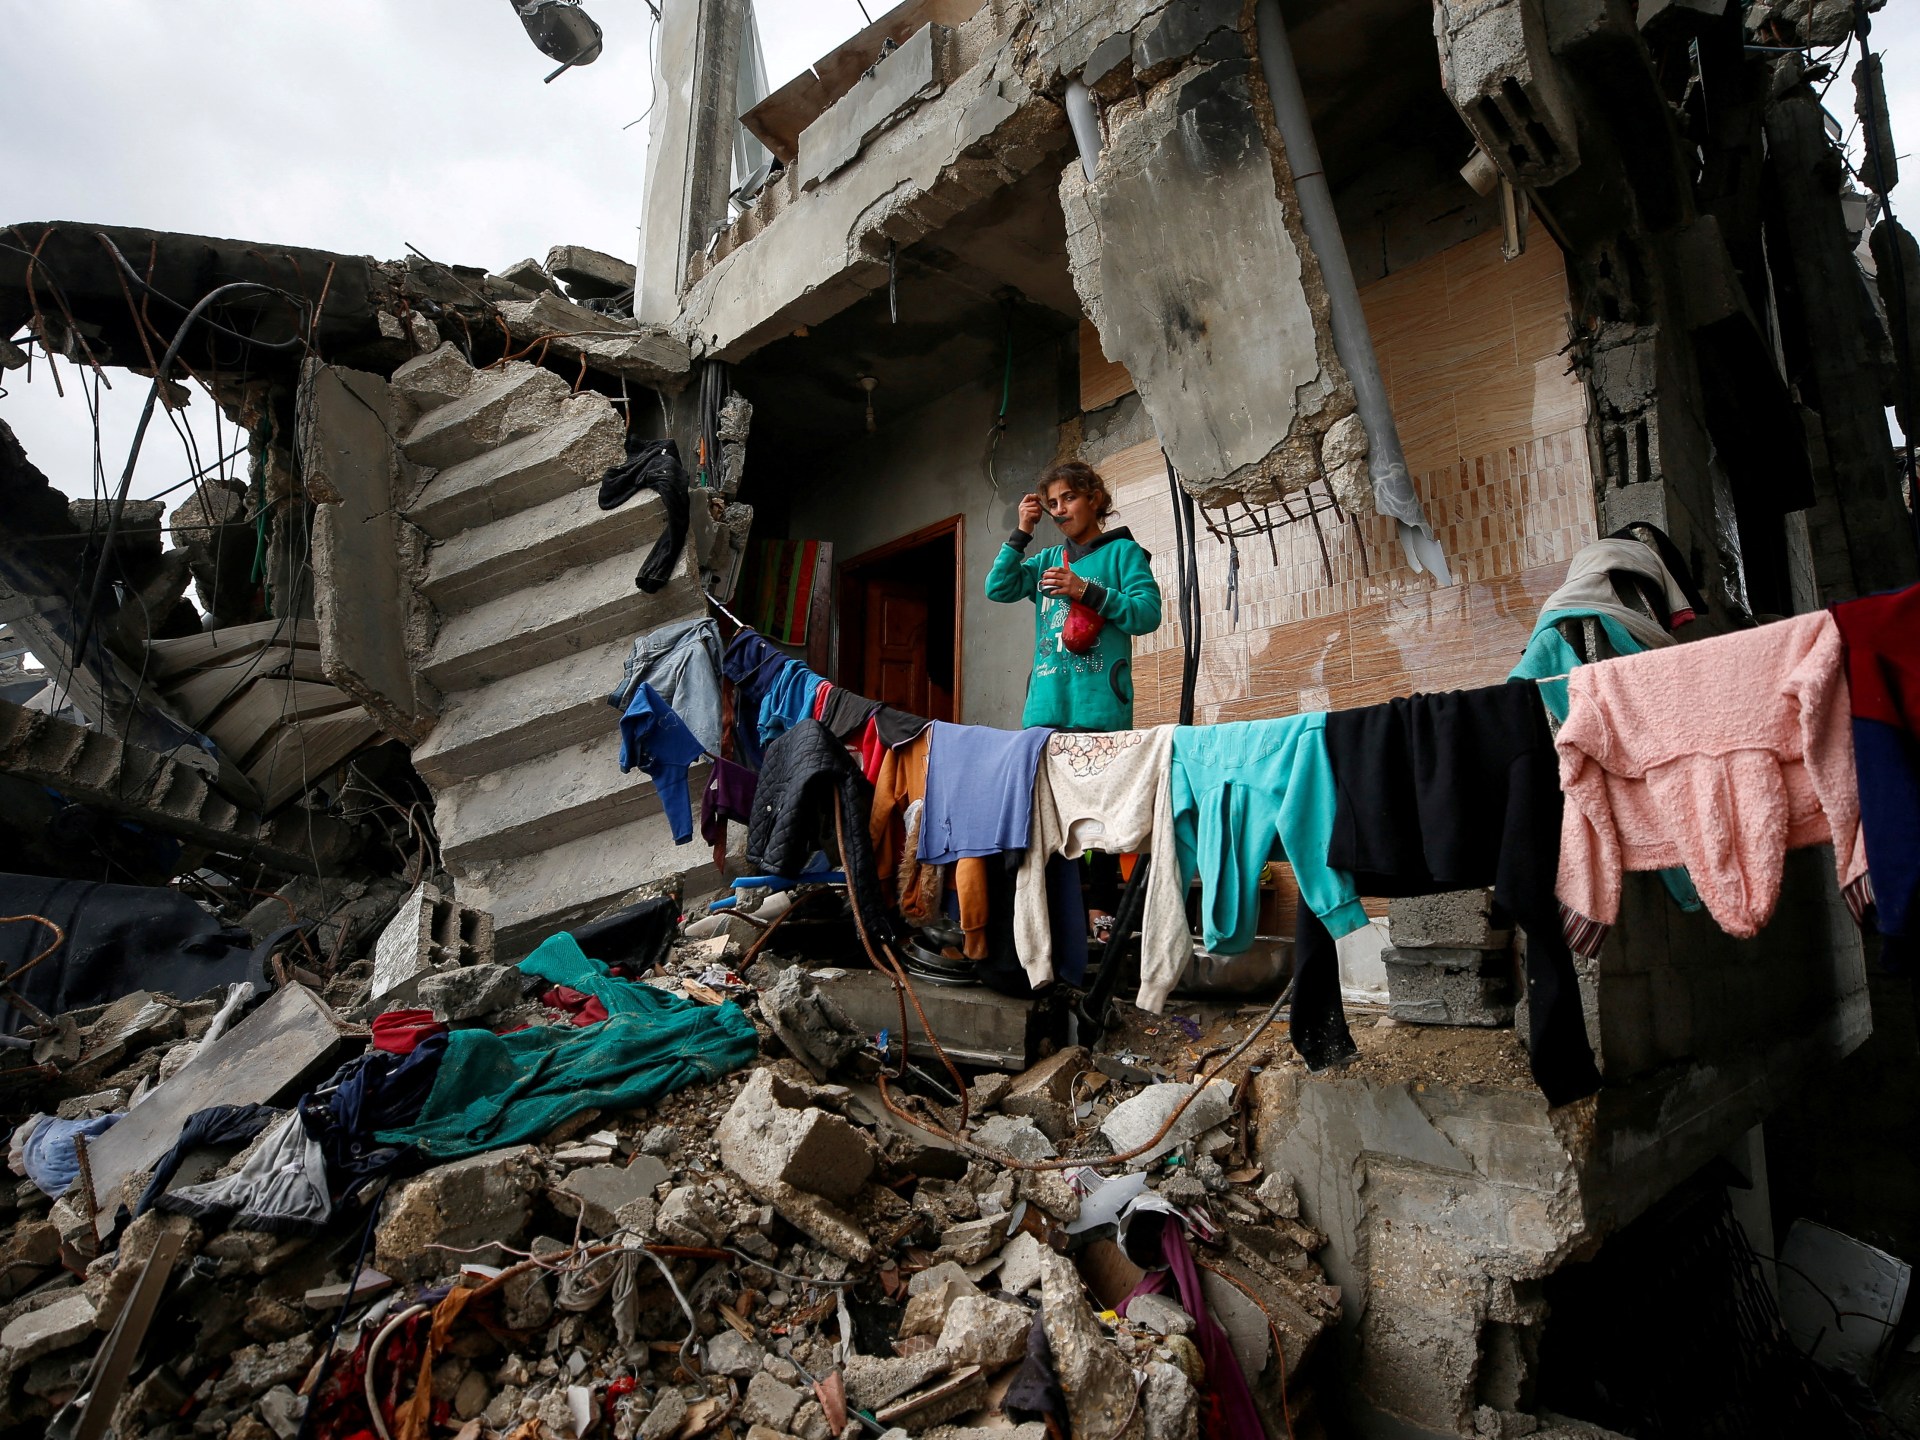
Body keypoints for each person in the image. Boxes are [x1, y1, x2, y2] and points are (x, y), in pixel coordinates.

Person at [986, 460, 1163, 732]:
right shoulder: (1047, 560)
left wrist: (1085, 591)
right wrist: (1022, 532)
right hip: (1043, 713)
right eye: (1053, 503)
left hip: (1099, 712)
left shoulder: (1123, 552)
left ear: (1094, 499)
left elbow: (1147, 614)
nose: (1060, 510)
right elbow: (998, 587)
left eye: (1069, 498)